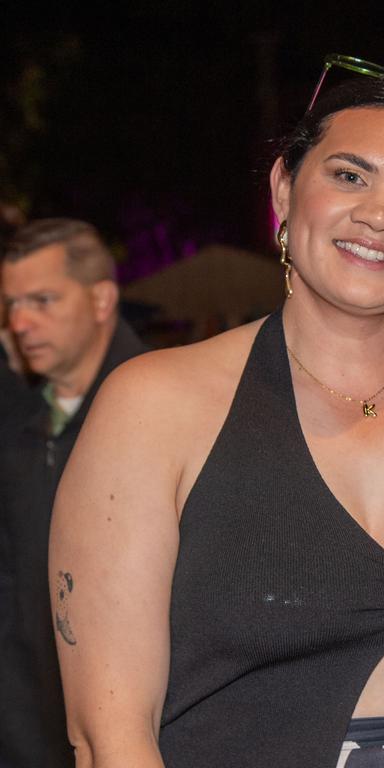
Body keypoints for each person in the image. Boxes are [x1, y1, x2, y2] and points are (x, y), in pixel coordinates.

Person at [49, 57, 384, 768]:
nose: (379, 217)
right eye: (349, 176)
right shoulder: (153, 406)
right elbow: (110, 737)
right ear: (284, 189)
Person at [0, 218, 147, 768]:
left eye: (42, 300)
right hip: (27, 735)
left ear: (102, 299)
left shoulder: (165, 412)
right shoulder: (21, 423)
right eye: (11, 305)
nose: (21, 322)